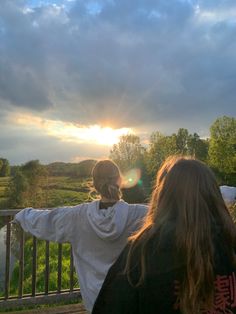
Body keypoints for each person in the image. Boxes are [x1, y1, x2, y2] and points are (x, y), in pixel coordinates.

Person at [92, 156, 236, 314]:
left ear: (163, 196)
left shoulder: (142, 252)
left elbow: (111, 305)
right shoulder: (229, 243)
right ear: (213, 194)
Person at [14, 160, 147, 313]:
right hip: (128, 302)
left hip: (95, 303)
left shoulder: (77, 216)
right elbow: (168, 213)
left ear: (95, 185)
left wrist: (22, 215)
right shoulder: (139, 214)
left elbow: (47, 219)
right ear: (119, 180)